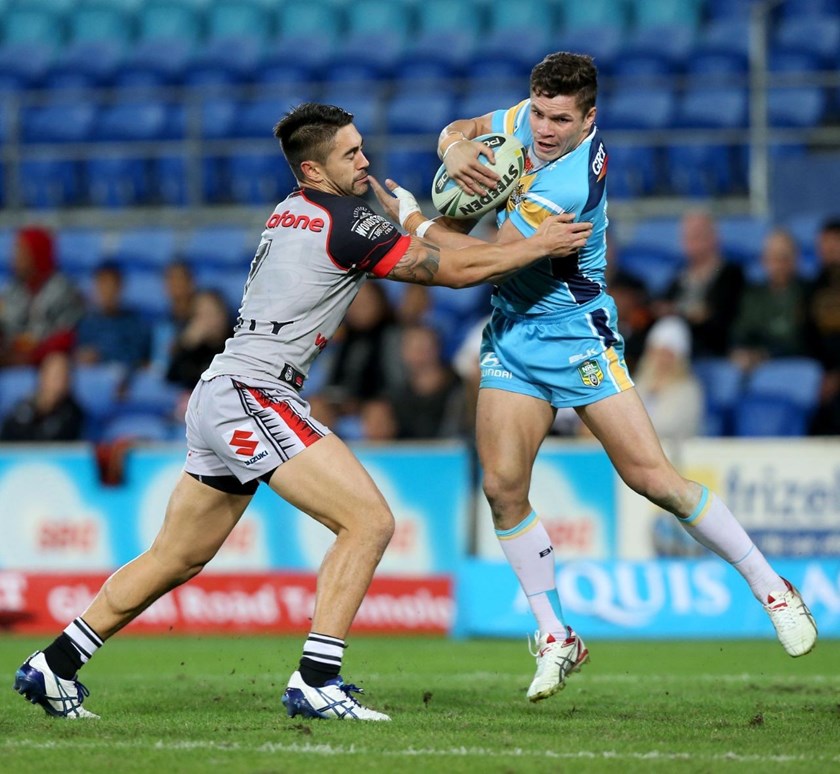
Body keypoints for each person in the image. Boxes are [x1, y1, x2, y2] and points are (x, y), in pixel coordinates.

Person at [13, 101, 592, 722]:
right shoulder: (345, 219)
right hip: (256, 392)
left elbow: (422, 252)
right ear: (314, 169)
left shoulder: (293, 210)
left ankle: (54, 665)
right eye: (350, 153)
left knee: (175, 556)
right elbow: (451, 273)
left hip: (226, 387)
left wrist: (421, 222)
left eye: (362, 146)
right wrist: (536, 245)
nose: (365, 159)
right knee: (368, 522)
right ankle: (317, 679)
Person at [373, 52, 818, 705]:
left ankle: (773, 587)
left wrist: (414, 219)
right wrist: (453, 143)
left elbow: (476, 261)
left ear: (590, 119)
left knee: (652, 479)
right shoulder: (527, 120)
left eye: (560, 119)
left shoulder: (572, 184)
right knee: (501, 488)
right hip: (514, 336)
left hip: (576, 335)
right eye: (540, 113)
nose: (544, 129)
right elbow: (467, 125)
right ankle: (556, 635)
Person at [657, 209, 745, 358]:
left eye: (697, 236)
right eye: (687, 236)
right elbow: (663, 305)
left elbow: (716, 315)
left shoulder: (731, 274)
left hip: (711, 345)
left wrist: (679, 312)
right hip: (677, 344)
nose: (691, 242)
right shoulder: (680, 274)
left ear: (714, 238)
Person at [0, 226, 84, 366]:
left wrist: (34, 355)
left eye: (22, 252)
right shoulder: (10, 291)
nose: (16, 259)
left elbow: (66, 337)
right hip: (10, 361)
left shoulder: (64, 291)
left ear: (37, 254)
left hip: (49, 364)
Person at [729, 228, 808, 373]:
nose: (779, 265)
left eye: (784, 258)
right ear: (764, 261)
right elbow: (742, 331)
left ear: (796, 259)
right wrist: (740, 350)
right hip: (756, 364)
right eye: (773, 258)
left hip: (793, 366)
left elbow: (802, 340)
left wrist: (766, 354)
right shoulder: (753, 295)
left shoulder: (809, 293)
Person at [632, 315, 704, 442]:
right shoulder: (638, 384)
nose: (661, 360)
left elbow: (670, 427)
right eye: (656, 352)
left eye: (667, 355)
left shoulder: (688, 390)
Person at [75, 261, 152, 371]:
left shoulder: (136, 325)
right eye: (102, 284)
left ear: (120, 287)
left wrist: (102, 358)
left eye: (111, 284)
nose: (106, 291)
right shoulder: (86, 325)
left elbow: (138, 360)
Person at [0, 351, 85, 443]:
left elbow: (53, 441)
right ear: (42, 376)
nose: (56, 381)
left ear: (69, 380)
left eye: (61, 375)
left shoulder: (73, 413)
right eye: (52, 375)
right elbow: (7, 434)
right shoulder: (25, 405)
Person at [806, 217, 840, 435]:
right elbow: (808, 333)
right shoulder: (815, 285)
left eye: (832, 242)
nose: (826, 249)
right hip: (825, 370)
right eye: (822, 244)